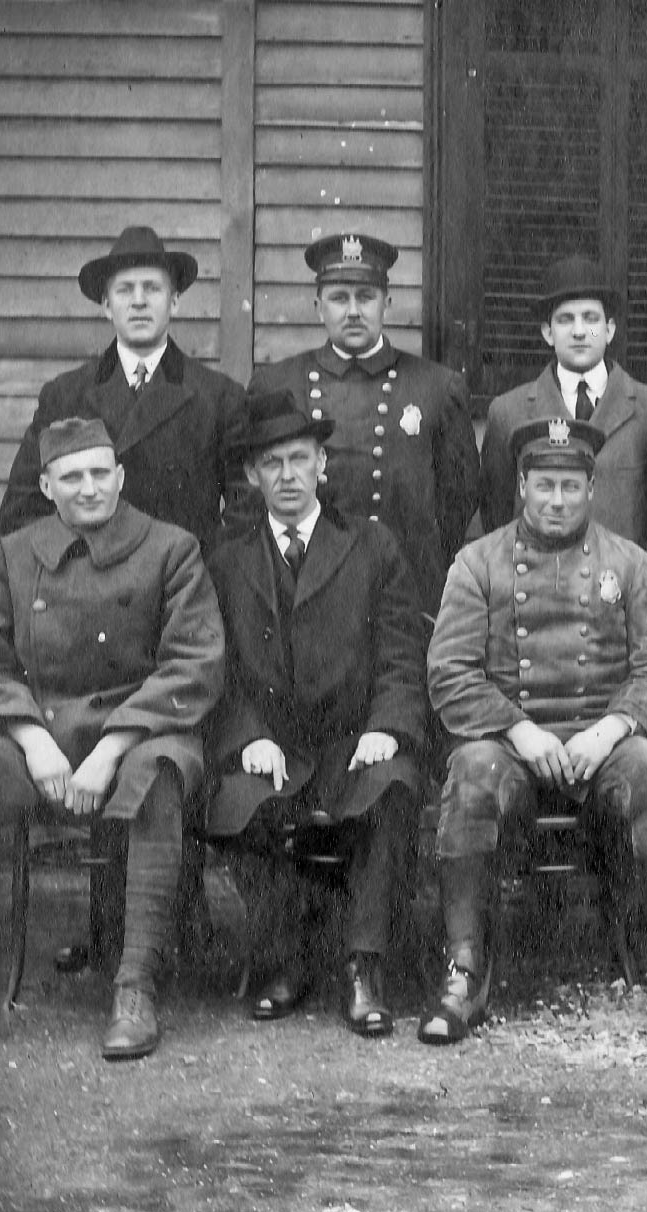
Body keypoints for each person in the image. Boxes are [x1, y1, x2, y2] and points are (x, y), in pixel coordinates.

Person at [0, 418, 225, 1058]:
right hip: (41, 734)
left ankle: (135, 988)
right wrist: (33, 741)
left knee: (156, 776)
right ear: (46, 486)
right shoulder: (15, 555)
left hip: (143, 730)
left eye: (101, 473)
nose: (90, 488)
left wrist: (109, 748)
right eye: (72, 477)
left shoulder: (171, 549)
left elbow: (194, 663)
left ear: (121, 477)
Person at [424, 417, 647, 1042]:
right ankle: (463, 968)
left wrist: (610, 730)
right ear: (521, 485)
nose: (556, 500)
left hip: (602, 743)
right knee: (471, 775)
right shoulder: (477, 563)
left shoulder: (629, 564)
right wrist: (520, 732)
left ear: (592, 489)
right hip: (510, 743)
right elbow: (451, 674)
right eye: (544, 485)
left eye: (570, 487)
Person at [205, 391, 428, 1037]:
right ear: (252, 475)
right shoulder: (229, 562)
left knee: (392, 789)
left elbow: (400, 651)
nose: (288, 475)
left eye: (300, 458)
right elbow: (217, 668)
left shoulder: (370, 545)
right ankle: (288, 953)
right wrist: (247, 736)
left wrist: (386, 725)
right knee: (233, 802)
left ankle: (365, 963)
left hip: (352, 738)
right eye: (271, 463)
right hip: (274, 742)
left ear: (322, 463)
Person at [247, 232, 477, 616]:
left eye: (365, 297)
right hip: (304, 587)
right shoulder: (276, 383)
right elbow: (252, 496)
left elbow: (458, 501)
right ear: (318, 306)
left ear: (387, 303)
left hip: (403, 590)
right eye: (339, 298)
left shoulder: (437, 387)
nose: (353, 311)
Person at [0, 225, 248, 552]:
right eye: (125, 290)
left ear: (174, 302)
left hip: (182, 592)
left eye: (152, 288)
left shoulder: (218, 397)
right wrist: (75, 573)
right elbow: (21, 511)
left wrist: (201, 585)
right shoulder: (65, 395)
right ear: (106, 306)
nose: (139, 302)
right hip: (91, 591)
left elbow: (248, 514)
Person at [478, 255, 647, 545]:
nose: (579, 331)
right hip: (539, 582)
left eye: (591, 319)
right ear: (548, 332)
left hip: (620, 582)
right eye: (565, 319)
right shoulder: (508, 412)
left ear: (610, 330)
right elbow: (497, 513)